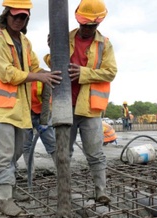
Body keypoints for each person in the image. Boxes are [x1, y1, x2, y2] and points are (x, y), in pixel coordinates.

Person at [0, 0, 62, 216]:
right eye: (15, 15)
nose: (18, 20)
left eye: (23, 17)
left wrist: (53, 60)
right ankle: (5, 199)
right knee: (4, 155)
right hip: (2, 110)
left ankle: (11, 190)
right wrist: (38, 76)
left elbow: (35, 67)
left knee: (15, 154)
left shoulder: (24, 42)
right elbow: (6, 72)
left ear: (27, 19)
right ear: (6, 15)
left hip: (20, 112)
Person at [45, 0, 117, 204]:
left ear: (99, 23)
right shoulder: (64, 38)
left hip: (89, 108)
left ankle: (101, 191)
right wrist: (53, 50)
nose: (87, 29)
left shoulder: (104, 44)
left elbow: (110, 72)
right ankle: (64, 194)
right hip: (64, 104)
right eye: (84, 24)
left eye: (91, 26)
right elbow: (54, 65)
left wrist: (83, 73)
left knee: (95, 153)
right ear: (78, 18)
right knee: (63, 153)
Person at [18, 82, 56, 177]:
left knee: (52, 144)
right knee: (26, 146)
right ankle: (31, 173)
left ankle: (62, 171)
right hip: (25, 115)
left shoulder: (43, 76)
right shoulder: (21, 74)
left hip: (42, 114)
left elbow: (46, 99)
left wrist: (44, 121)